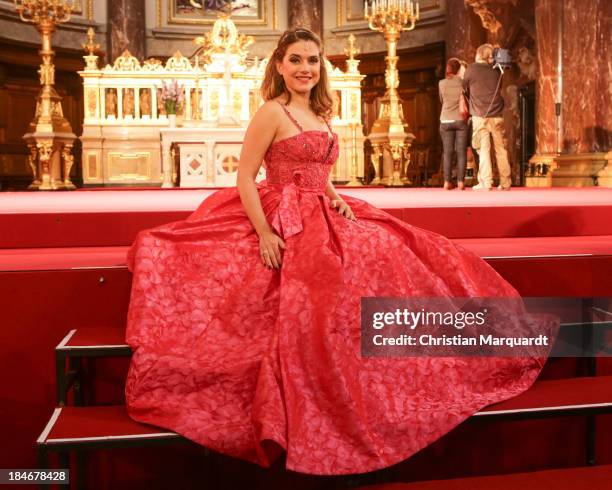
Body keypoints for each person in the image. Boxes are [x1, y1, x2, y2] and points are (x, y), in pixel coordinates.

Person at [125, 28, 553, 475]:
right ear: (279, 65)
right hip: (283, 211)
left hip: (322, 208)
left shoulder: (319, 111)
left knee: (401, 244)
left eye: (312, 60)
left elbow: (316, 167)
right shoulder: (272, 112)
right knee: (343, 270)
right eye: (295, 60)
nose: (304, 68)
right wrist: (265, 234)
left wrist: (335, 194)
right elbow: (246, 178)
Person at [463, 43, 511, 190]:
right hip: (497, 115)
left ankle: (486, 182)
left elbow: (464, 88)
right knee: (501, 149)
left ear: (478, 54)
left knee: (483, 149)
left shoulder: (471, 69)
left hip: (480, 115)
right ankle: (505, 182)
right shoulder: (498, 70)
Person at [438, 58, 468, 190]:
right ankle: (461, 182)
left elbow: (441, 99)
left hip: (445, 119)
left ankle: (447, 181)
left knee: (447, 152)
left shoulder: (442, 83)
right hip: (460, 119)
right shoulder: (463, 83)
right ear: (459, 69)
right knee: (461, 152)